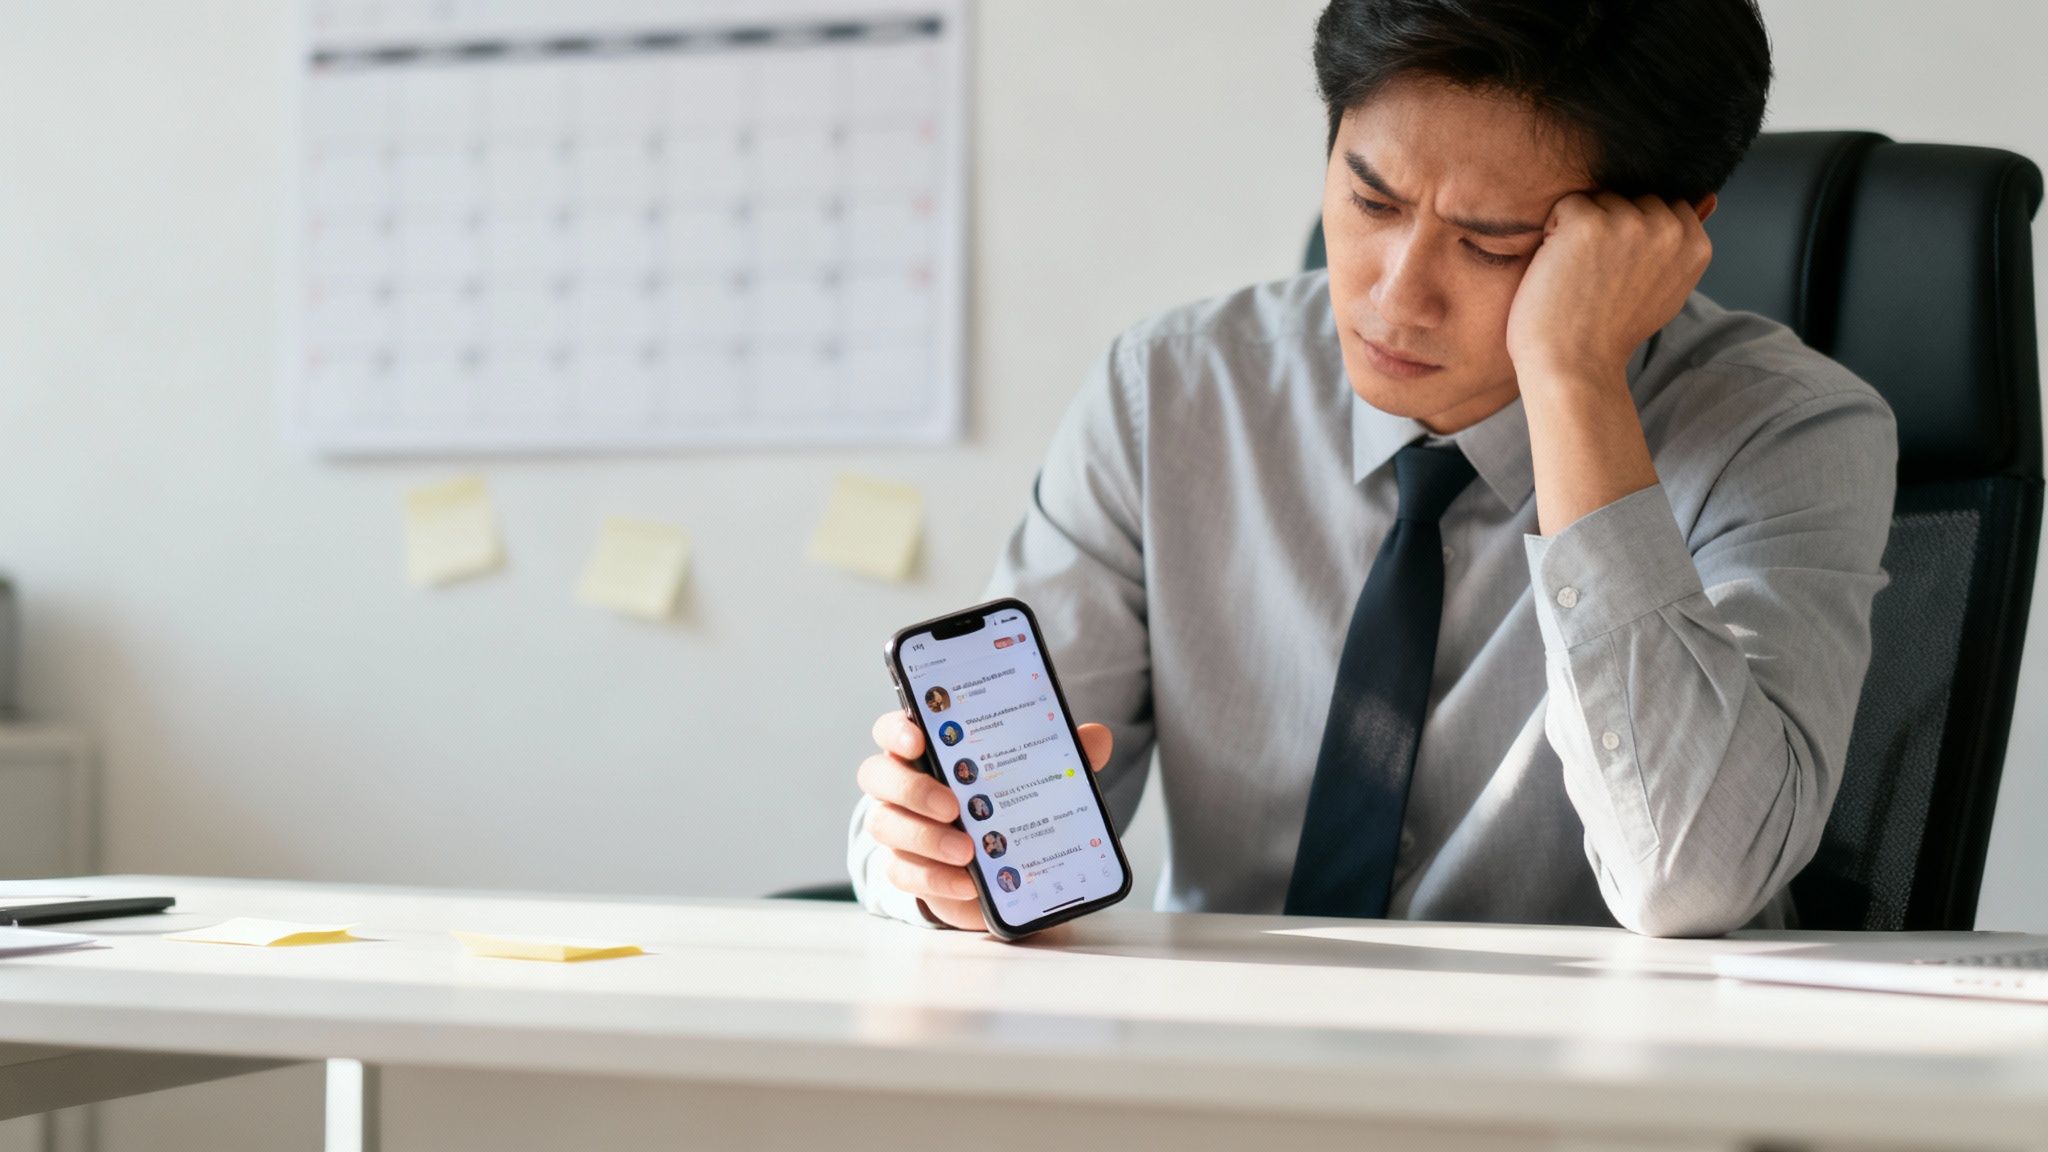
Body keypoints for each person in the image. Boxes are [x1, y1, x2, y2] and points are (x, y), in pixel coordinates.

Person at [848, 0, 1894, 939]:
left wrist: (1572, 381)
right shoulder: (1170, 392)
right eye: (1370, 201)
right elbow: (998, 823)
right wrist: (928, 859)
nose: (1397, 297)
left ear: (1660, 238)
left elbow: (1693, 880)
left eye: (1493, 246)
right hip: (1212, 1066)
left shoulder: (1788, 432)